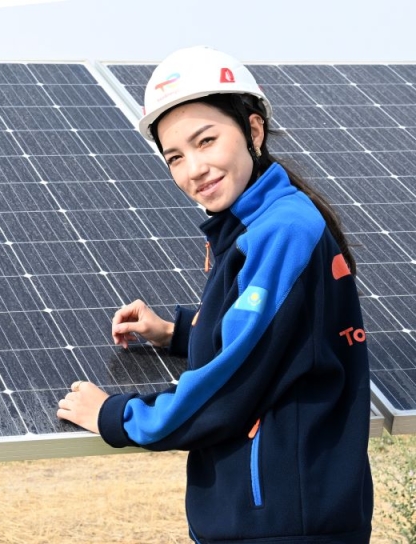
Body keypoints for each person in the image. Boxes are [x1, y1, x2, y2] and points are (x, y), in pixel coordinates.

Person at [57, 46, 373, 543]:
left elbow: (228, 390)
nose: (194, 169)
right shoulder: (259, 222)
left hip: (284, 523)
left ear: (253, 131)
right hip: (272, 515)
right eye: (175, 157)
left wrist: (114, 415)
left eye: (206, 140)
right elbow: (279, 337)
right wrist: (178, 331)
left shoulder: (283, 231)